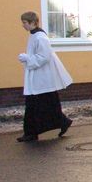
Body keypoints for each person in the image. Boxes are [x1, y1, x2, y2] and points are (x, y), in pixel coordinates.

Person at [17, 11, 73, 142]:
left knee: (41, 105)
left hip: (42, 79)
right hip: (38, 78)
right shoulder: (34, 35)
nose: (23, 25)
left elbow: (44, 57)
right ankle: (32, 132)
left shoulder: (40, 37)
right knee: (38, 105)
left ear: (32, 22)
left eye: (24, 22)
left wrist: (27, 58)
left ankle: (34, 131)